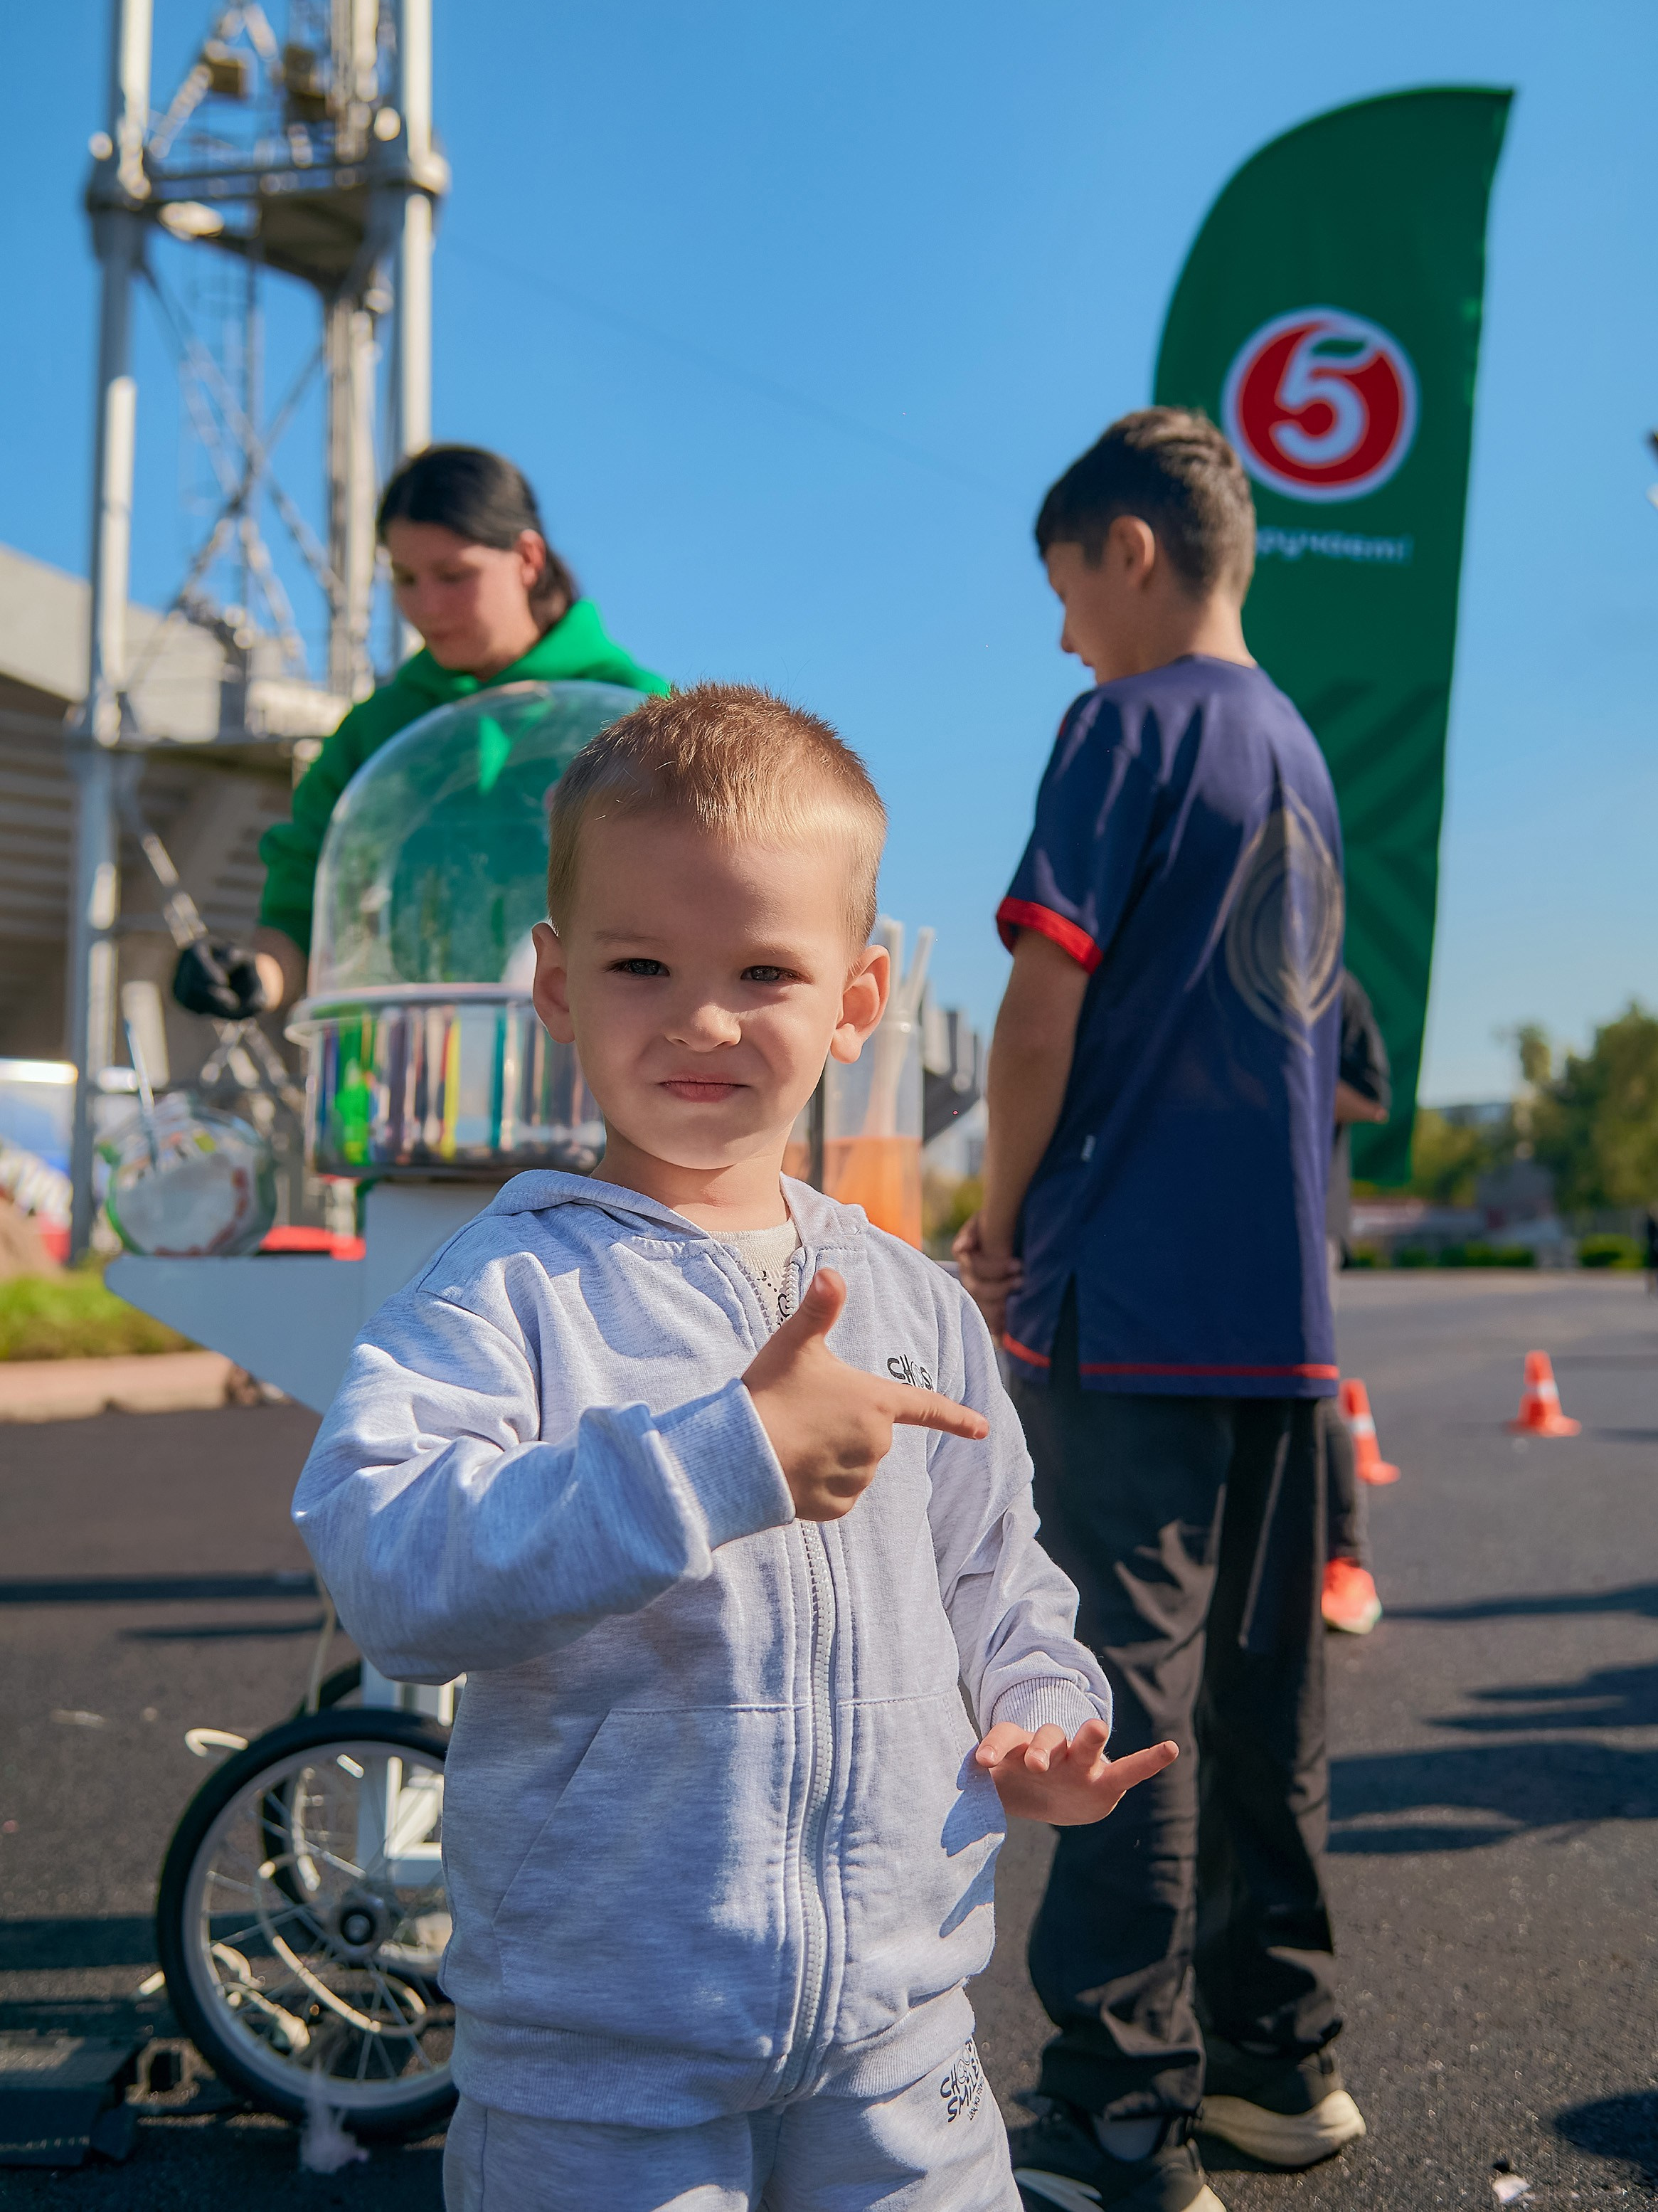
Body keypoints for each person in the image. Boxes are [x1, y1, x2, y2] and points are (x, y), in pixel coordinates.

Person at [292, 684, 1177, 2212]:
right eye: (642, 964)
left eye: (764, 969)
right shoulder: (512, 1288)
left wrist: (1041, 1703)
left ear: (856, 997)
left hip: (902, 2051)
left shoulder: (908, 1299)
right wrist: (719, 1457)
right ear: (557, 985)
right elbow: (390, 1562)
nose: (701, 1017)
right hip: (596, 2073)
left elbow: (994, 1568)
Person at [953, 410, 1365, 2212]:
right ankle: (1282, 2069)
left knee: (1116, 1702)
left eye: (1064, 588)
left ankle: (1118, 2121)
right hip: (1287, 1314)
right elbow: (1338, 1076)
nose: (1063, 635)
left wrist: (995, 1215)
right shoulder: (1302, 753)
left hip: (1134, 1294)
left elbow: (1043, 1007)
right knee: (1268, 1701)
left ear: (1130, 550)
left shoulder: (1124, 729)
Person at [186, 445, 668, 1017]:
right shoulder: (378, 728)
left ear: (527, 558)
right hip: (406, 1066)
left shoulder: (637, 715)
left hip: (580, 1065)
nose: (427, 605)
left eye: (453, 575)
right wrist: (253, 977)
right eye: (405, 577)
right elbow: (306, 892)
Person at [1322, 971, 1391, 1637]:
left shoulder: (1335, 987)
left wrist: (1277, 1073)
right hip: (1205, 1226)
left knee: (1308, 1392)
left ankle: (1346, 1561)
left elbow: (1372, 1100)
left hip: (1303, 1222)